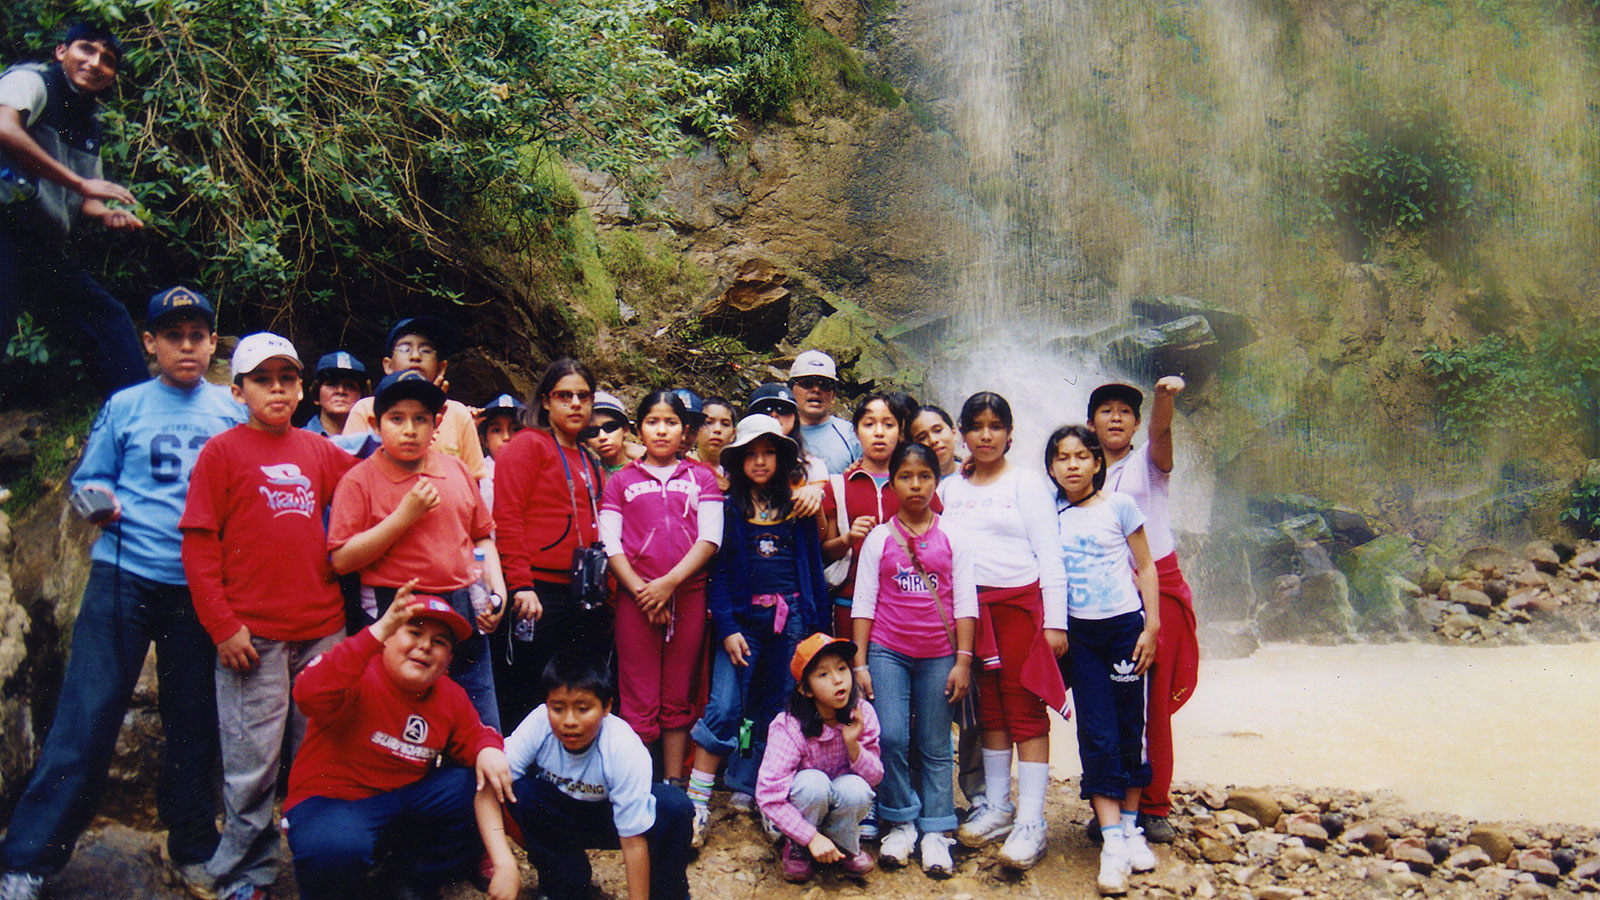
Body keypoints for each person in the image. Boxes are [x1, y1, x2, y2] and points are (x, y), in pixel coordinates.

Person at [0, 287, 242, 900]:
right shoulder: (126, 405)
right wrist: (99, 504)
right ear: (150, 343)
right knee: (86, 716)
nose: (185, 347)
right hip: (123, 576)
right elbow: (89, 481)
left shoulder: (232, 412)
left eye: (197, 336)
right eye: (172, 336)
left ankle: (192, 847)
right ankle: (28, 859)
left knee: (195, 720)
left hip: (200, 588)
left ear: (213, 343)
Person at [180, 332, 356, 900]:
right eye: (263, 379)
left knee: (318, 756)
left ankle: (316, 865)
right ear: (238, 391)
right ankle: (248, 870)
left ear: (302, 388)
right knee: (251, 762)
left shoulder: (317, 451)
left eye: (287, 378)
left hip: (323, 631)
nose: (277, 389)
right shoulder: (222, 453)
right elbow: (199, 545)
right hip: (252, 637)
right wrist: (223, 626)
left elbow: (370, 471)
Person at [283, 583, 518, 900]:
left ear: (448, 659)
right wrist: (372, 634)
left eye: (439, 642)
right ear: (387, 636)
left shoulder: (449, 695)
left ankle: (406, 882)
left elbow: (476, 734)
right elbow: (307, 693)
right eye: (414, 633)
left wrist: (488, 747)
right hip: (332, 802)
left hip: (400, 800)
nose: (424, 647)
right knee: (337, 849)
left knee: (471, 782)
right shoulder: (356, 669)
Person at [327, 370, 508, 730]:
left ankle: (480, 780)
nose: (409, 429)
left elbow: (482, 536)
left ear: (436, 424)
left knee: (478, 717)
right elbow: (342, 559)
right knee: (399, 721)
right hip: (397, 608)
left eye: (420, 419)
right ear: (376, 425)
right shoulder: (359, 480)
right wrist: (402, 517)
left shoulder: (456, 469)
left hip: (461, 603)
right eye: (397, 419)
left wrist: (498, 591)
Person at [686, 415, 828, 848]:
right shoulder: (729, 510)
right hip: (744, 623)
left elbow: (812, 568)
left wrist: (817, 630)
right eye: (751, 454)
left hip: (794, 620)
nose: (761, 461)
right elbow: (720, 574)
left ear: (783, 458)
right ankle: (697, 801)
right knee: (728, 705)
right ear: (738, 460)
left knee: (778, 707)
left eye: (770, 452)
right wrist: (727, 625)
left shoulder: (798, 506)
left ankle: (765, 795)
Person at [941, 392, 1068, 871]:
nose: (986, 435)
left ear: (1010, 433)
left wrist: (1055, 623)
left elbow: (1050, 553)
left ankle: (1032, 820)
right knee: (989, 710)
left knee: (1025, 707)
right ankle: (998, 806)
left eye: (996, 426)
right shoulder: (952, 488)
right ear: (963, 435)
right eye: (977, 427)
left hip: (1018, 609)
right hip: (973, 613)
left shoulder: (1028, 483)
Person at [0, 22, 147, 398]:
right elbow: (3, 128)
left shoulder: (88, 124)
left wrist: (103, 213)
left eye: (108, 60)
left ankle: (136, 418)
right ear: (61, 51)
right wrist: (80, 185)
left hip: (38, 245)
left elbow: (85, 197)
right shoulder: (31, 82)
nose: (96, 63)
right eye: (86, 49)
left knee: (106, 318)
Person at [849, 442, 975, 875]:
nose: (915, 485)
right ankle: (900, 823)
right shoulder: (879, 538)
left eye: (924, 476)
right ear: (893, 483)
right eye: (906, 476)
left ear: (936, 481)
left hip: (939, 653)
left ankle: (937, 830)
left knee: (937, 743)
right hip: (888, 652)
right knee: (892, 737)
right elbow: (863, 602)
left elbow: (965, 604)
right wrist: (860, 662)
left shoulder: (953, 535)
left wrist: (963, 660)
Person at [1047, 425, 1161, 895]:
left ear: (1098, 462)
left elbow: (1146, 565)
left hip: (1125, 631)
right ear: (1050, 467)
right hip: (1081, 637)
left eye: (1081, 456)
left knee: (1130, 725)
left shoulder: (1120, 506)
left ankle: (1130, 827)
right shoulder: (1050, 512)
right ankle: (1111, 840)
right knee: (1096, 730)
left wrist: (1151, 626)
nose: (1072, 465)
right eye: (1061, 457)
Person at [1087, 380, 1198, 844]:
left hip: (1157, 588)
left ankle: (1154, 805)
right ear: (1091, 422)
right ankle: (1111, 802)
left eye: (1124, 412)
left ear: (1136, 423)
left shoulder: (1149, 464)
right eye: (1105, 411)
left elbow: (1162, 435)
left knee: (1153, 706)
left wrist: (1164, 400)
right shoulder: (1084, 473)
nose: (1115, 418)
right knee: (1114, 706)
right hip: (1110, 595)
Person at [497, 652, 694, 900]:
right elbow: (494, 783)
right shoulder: (538, 724)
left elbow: (633, 843)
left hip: (610, 817)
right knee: (520, 791)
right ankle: (565, 885)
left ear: (607, 707)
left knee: (675, 806)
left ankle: (667, 894)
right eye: (558, 708)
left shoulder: (624, 748)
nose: (569, 721)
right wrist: (508, 854)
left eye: (583, 709)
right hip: (563, 815)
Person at [600, 391, 724, 781]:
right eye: (653, 421)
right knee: (638, 694)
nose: (662, 430)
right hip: (635, 600)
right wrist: (642, 590)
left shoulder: (701, 476)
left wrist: (668, 585)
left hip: (686, 596)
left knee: (677, 694)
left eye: (670, 422)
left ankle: (672, 783)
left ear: (684, 429)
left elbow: (710, 538)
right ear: (639, 428)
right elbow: (610, 542)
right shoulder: (621, 481)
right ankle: (638, 785)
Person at [491, 358, 608, 727]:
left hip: (583, 592)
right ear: (545, 401)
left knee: (574, 688)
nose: (575, 404)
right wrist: (521, 585)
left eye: (584, 396)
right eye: (565, 396)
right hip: (538, 590)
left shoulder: (589, 459)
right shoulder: (527, 446)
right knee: (528, 687)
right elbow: (506, 516)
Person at [756, 633, 882, 883]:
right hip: (805, 808)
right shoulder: (789, 726)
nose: (838, 680)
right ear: (805, 689)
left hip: (841, 807)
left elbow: (875, 778)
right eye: (823, 674)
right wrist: (809, 837)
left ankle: (844, 846)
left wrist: (852, 744)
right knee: (812, 782)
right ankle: (798, 846)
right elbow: (768, 795)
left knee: (856, 787)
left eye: (842, 669)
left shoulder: (862, 713)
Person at [342, 316, 487, 482]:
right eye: (405, 349)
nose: (416, 356)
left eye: (426, 350)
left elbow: (475, 479)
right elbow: (348, 471)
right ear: (388, 365)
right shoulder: (366, 409)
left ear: (441, 367)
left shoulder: (458, 414)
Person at [822, 393, 918, 637]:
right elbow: (824, 552)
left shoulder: (916, 485)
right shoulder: (837, 487)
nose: (879, 432)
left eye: (888, 424)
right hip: (849, 604)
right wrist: (848, 538)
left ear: (900, 431)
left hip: (907, 605)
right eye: (869, 424)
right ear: (856, 431)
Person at [789, 351, 861, 474]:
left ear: (833, 396)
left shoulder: (851, 435)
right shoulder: (779, 432)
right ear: (791, 391)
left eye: (825, 385)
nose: (816, 390)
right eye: (807, 384)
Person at [748, 382, 827, 484]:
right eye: (765, 410)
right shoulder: (734, 462)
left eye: (783, 409)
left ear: (795, 417)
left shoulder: (812, 466)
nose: (774, 415)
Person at [302, 351, 368, 437]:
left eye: (350, 386)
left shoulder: (373, 441)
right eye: (332, 384)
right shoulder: (299, 440)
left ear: (362, 395)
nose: (340, 391)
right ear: (316, 394)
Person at [477, 392, 524, 511]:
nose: (506, 437)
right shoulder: (477, 476)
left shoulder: (536, 473)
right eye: (497, 430)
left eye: (515, 429)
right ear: (484, 439)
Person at [583, 390, 635, 473]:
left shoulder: (646, 468)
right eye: (592, 432)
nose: (602, 437)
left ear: (625, 430)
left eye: (610, 427)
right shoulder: (589, 477)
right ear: (586, 441)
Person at [691, 395, 735, 488]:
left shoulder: (738, 474)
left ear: (733, 434)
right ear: (696, 429)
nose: (717, 429)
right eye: (709, 422)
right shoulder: (683, 468)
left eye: (725, 424)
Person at [909, 405, 962, 478]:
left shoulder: (975, 474)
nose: (933, 440)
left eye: (938, 430)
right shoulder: (914, 486)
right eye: (922, 437)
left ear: (954, 433)